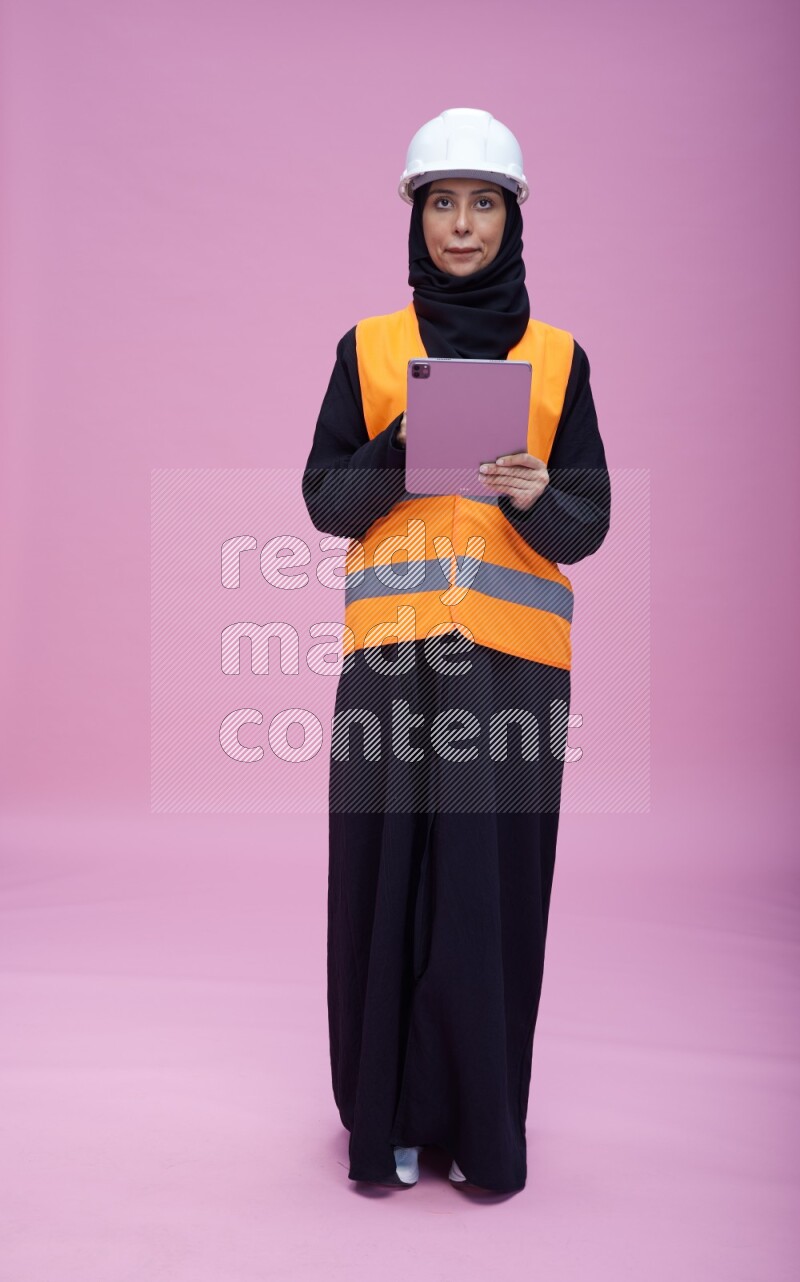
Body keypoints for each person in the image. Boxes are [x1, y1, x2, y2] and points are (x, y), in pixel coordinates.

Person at [302, 108, 611, 1194]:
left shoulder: (559, 359)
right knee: (383, 881)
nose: (462, 224)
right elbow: (325, 502)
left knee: (485, 893)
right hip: (390, 660)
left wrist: (536, 494)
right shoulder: (370, 349)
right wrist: (395, 453)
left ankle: (483, 1127)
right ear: (415, 216)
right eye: (443, 202)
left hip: (511, 672)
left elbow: (589, 522)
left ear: (511, 216)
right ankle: (380, 1118)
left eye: (483, 202)